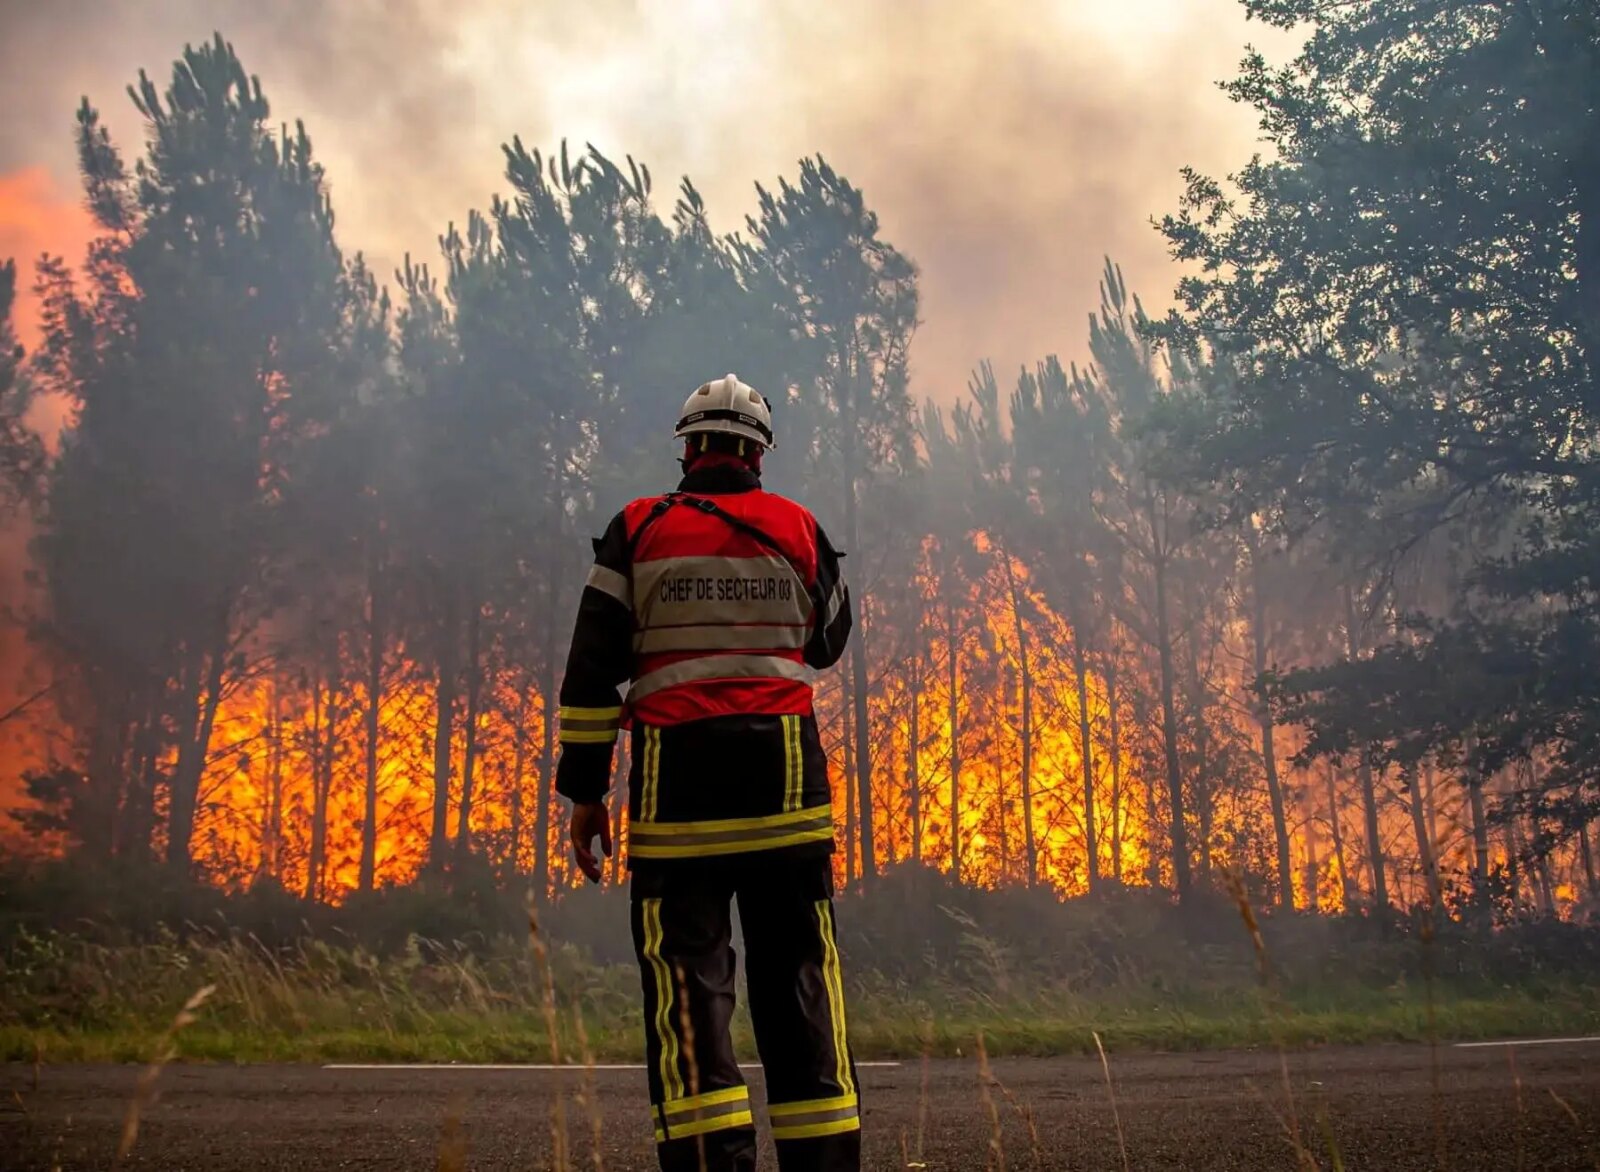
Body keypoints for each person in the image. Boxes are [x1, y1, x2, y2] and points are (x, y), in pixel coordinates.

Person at [553, 374, 860, 1172]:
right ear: (758, 454)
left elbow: (590, 677)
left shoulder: (638, 529)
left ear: (687, 448)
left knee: (689, 1001)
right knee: (800, 988)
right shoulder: (799, 528)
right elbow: (828, 641)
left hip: (677, 808)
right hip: (787, 804)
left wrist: (587, 795)